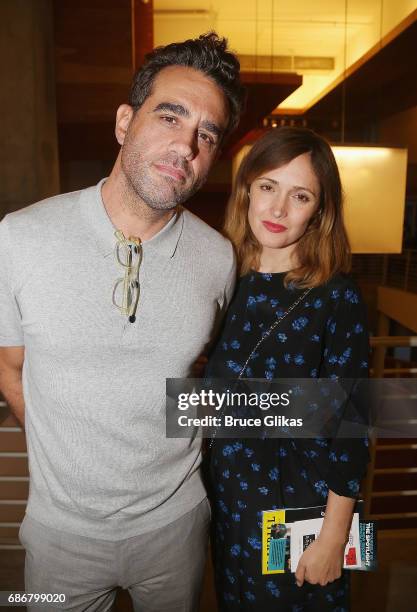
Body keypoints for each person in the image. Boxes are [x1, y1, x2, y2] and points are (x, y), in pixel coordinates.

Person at [0, 33, 245, 611]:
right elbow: (11, 369)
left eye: (206, 135)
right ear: (123, 122)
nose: (186, 145)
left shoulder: (219, 258)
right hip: (61, 533)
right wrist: (73, 456)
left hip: (178, 525)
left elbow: (204, 382)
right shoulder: (21, 236)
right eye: (170, 116)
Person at [206, 127, 370, 610]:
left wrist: (333, 536)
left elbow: (352, 425)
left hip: (299, 508)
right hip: (228, 505)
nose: (277, 210)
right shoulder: (222, 278)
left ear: (319, 210)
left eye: (299, 196)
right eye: (268, 187)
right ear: (247, 191)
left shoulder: (336, 296)